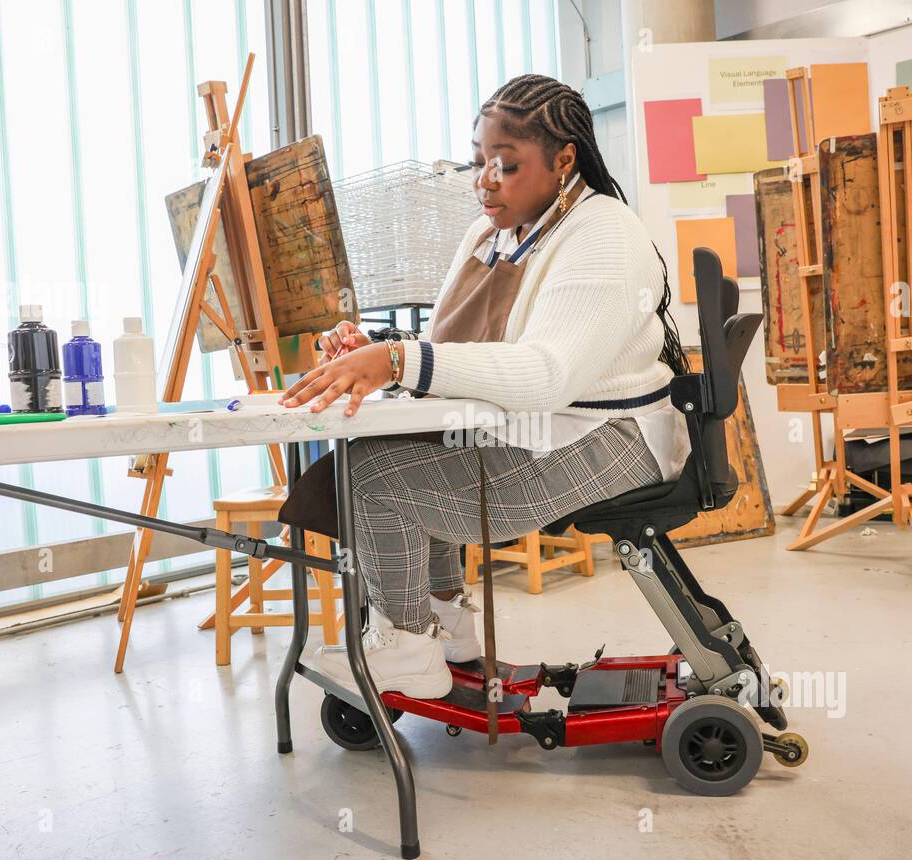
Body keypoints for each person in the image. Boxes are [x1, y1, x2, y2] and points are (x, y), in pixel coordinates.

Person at [281, 74, 690, 700]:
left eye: (506, 164)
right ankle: (447, 630)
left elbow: (548, 373)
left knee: (373, 477)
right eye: (479, 163)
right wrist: (374, 347)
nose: (486, 180)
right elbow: (452, 344)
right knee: (409, 450)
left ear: (563, 160)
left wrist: (398, 361)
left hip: (612, 437)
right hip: (550, 428)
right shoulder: (490, 233)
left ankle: (408, 649)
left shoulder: (603, 232)